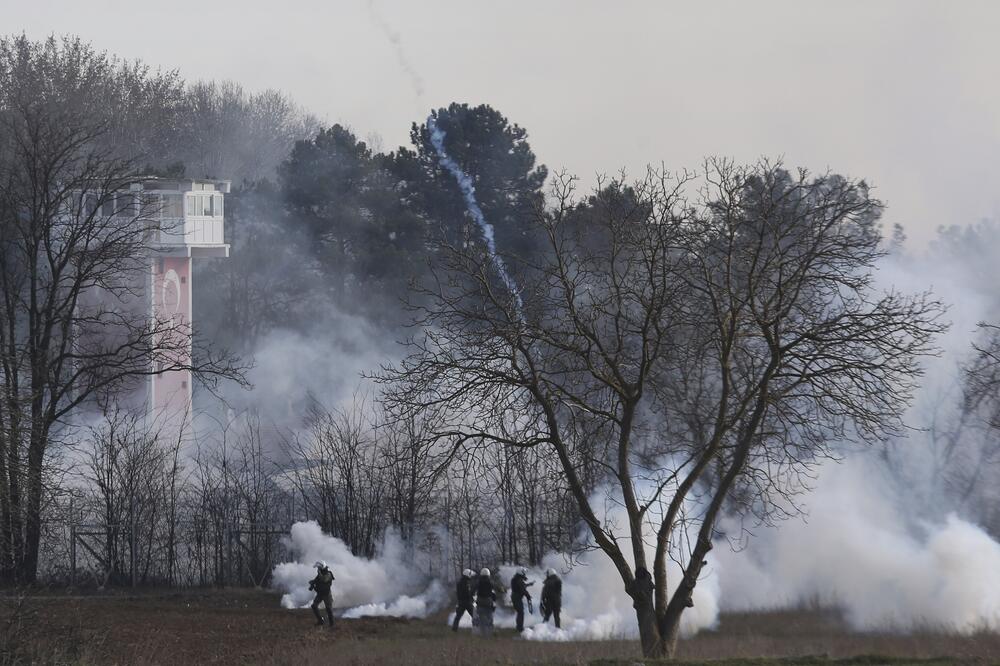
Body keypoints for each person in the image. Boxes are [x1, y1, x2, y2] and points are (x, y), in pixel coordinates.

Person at [309, 560, 336, 628]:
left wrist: (319, 573)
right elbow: (317, 579)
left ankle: (332, 624)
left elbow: (324, 579)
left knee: (328, 609)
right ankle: (320, 621)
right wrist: (312, 582)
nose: (317, 569)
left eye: (318, 568)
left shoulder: (328, 574)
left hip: (327, 594)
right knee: (314, 606)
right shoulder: (320, 573)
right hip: (320, 593)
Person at [510, 566, 534, 632]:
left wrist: (529, 584)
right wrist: (528, 596)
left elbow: (522, 586)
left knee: (520, 612)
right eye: (524, 573)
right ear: (521, 572)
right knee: (521, 612)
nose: (525, 574)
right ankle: (520, 628)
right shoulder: (519, 580)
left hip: (515, 597)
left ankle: (519, 627)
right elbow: (522, 589)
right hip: (517, 598)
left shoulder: (516, 579)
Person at [475, 567, 496, 636]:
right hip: (488, 602)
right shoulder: (491, 582)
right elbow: (494, 592)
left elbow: (472, 591)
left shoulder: (478, 582)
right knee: (489, 617)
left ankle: (483, 633)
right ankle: (490, 632)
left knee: (481, 618)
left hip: (480, 601)